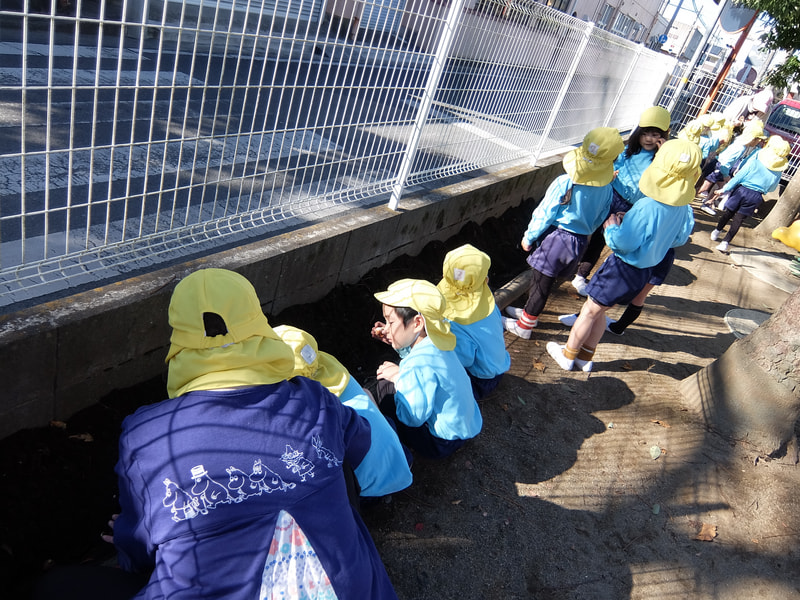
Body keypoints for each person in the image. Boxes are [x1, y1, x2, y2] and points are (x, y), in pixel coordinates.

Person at [110, 268, 398, 600]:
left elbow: (136, 551)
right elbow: (359, 443)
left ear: (179, 340)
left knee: (59, 585)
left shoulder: (145, 435)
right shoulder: (313, 399)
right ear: (259, 326)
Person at [546, 139, 699, 372]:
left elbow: (624, 243)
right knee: (600, 312)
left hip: (622, 268)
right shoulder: (681, 208)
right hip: (643, 272)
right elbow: (678, 239)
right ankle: (585, 358)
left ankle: (568, 354)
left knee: (589, 311)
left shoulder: (648, 205)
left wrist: (612, 228)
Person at [503, 127, 625, 338]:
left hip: (556, 238)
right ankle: (529, 313)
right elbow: (601, 216)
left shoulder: (566, 182)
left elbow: (545, 213)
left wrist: (529, 235)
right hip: (578, 241)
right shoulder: (606, 188)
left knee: (542, 284)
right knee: (544, 280)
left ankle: (525, 326)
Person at [273, 324, 413, 498]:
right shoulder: (337, 376)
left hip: (370, 489)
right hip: (403, 461)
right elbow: (367, 394)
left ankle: (380, 493)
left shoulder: (318, 411)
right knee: (370, 402)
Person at [369, 278, 482, 459]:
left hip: (440, 443)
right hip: (463, 427)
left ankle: (395, 444)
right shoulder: (439, 342)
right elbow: (417, 355)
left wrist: (399, 378)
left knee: (384, 388)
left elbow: (412, 417)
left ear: (417, 323)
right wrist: (393, 340)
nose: (387, 329)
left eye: (390, 322)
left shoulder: (417, 365)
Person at [572, 106, 670, 296]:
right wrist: (611, 174)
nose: (649, 138)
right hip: (611, 197)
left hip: (633, 207)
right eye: (646, 133)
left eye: (655, 134)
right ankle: (576, 269)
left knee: (611, 241)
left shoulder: (660, 160)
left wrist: (664, 152)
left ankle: (588, 276)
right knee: (593, 234)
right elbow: (611, 167)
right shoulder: (628, 152)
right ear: (639, 133)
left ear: (663, 137)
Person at [436, 243, 511, 399]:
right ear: (486, 280)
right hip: (498, 366)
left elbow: (461, 360)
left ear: (445, 276)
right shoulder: (487, 303)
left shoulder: (455, 321)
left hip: (481, 380)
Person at [710, 135, 791, 253]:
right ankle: (725, 242)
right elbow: (773, 188)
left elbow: (738, 177)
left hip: (741, 190)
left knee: (729, 213)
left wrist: (724, 189)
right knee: (739, 220)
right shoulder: (778, 173)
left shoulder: (755, 163)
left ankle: (717, 231)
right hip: (756, 196)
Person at [697, 119, 766, 214]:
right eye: (758, 139)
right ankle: (694, 199)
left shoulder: (739, 143)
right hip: (720, 167)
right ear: (752, 138)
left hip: (719, 165)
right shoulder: (740, 148)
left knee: (722, 188)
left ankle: (708, 202)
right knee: (705, 188)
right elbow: (726, 161)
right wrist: (725, 175)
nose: (758, 142)